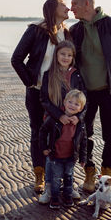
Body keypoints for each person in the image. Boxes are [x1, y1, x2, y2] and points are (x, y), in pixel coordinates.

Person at [70, 0, 111, 193]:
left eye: (74, 4)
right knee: (83, 133)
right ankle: (89, 172)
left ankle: (107, 173)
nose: (71, 8)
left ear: (87, 4)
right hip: (84, 93)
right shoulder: (75, 30)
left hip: (110, 90)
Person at [11, 0, 71, 193]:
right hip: (36, 92)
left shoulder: (67, 33)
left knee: (57, 133)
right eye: (64, 4)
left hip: (59, 93)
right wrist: (30, 82)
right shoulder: (36, 30)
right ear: (53, 8)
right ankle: (39, 175)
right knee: (38, 132)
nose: (68, 7)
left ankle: (56, 174)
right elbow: (17, 58)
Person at [38, 40, 86, 203]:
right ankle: (49, 189)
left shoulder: (77, 75)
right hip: (54, 120)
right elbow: (44, 100)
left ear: (73, 57)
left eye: (69, 55)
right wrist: (59, 115)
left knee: (68, 156)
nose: (65, 57)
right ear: (56, 55)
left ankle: (69, 186)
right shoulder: (48, 74)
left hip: (72, 122)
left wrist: (77, 117)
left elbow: (85, 100)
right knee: (52, 157)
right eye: (62, 54)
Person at [39, 89, 87, 209]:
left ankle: (67, 195)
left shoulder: (80, 123)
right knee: (55, 178)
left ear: (81, 109)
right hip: (56, 156)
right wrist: (44, 148)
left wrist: (83, 157)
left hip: (71, 157)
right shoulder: (54, 119)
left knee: (69, 176)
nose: (72, 105)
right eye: (70, 102)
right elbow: (42, 132)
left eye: (76, 104)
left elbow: (84, 141)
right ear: (64, 103)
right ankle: (54, 198)